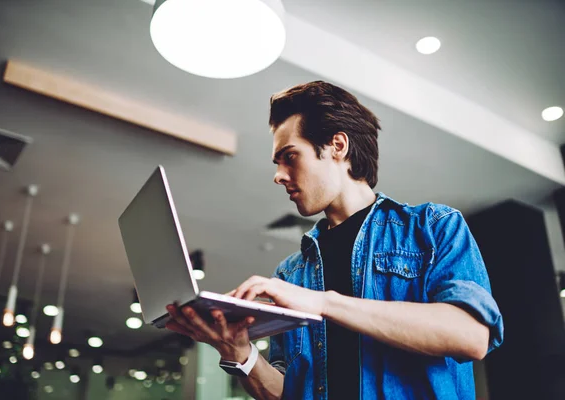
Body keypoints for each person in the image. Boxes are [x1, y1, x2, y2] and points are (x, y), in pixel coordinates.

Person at [165, 81, 504, 399]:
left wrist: (324, 303)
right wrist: (237, 352)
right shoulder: (291, 274)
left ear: (337, 146)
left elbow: (471, 335)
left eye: (290, 156)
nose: (278, 175)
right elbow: (289, 392)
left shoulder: (433, 227)